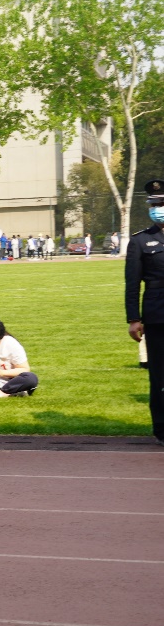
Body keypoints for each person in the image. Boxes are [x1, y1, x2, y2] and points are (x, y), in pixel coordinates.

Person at [127, 179, 164, 445]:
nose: (157, 208)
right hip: (157, 313)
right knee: (159, 374)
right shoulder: (141, 241)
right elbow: (132, 284)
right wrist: (133, 319)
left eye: (161, 203)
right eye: (153, 204)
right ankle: (161, 427)